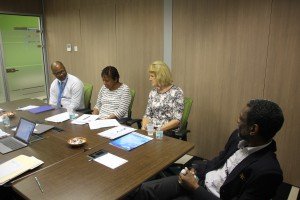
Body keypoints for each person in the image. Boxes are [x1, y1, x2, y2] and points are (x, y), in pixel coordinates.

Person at [134, 99, 284, 200]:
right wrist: (195, 169)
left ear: (253, 129)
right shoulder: (238, 138)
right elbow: (219, 160)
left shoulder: (268, 172)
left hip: (206, 193)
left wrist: (194, 187)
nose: (237, 121)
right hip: (200, 180)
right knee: (144, 190)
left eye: (241, 118)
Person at [141, 61, 184, 135]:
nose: (149, 79)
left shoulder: (177, 92)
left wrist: (158, 130)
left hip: (167, 131)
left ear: (160, 76)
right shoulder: (153, 92)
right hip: (152, 129)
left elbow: (177, 120)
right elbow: (147, 115)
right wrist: (143, 127)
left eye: (152, 76)